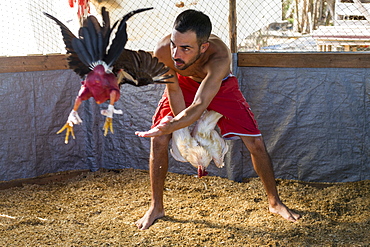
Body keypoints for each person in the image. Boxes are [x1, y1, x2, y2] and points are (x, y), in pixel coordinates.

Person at [135, 9, 300, 230]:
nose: (176, 54)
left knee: (256, 143)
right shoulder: (163, 52)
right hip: (183, 85)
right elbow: (174, 91)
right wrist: (175, 129)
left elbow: (200, 104)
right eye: (174, 44)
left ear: (203, 47)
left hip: (218, 87)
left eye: (185, 48)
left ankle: (275, 202)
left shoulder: (219, 57)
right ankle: (156, 207)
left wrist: (176, 123)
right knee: (159, 139)